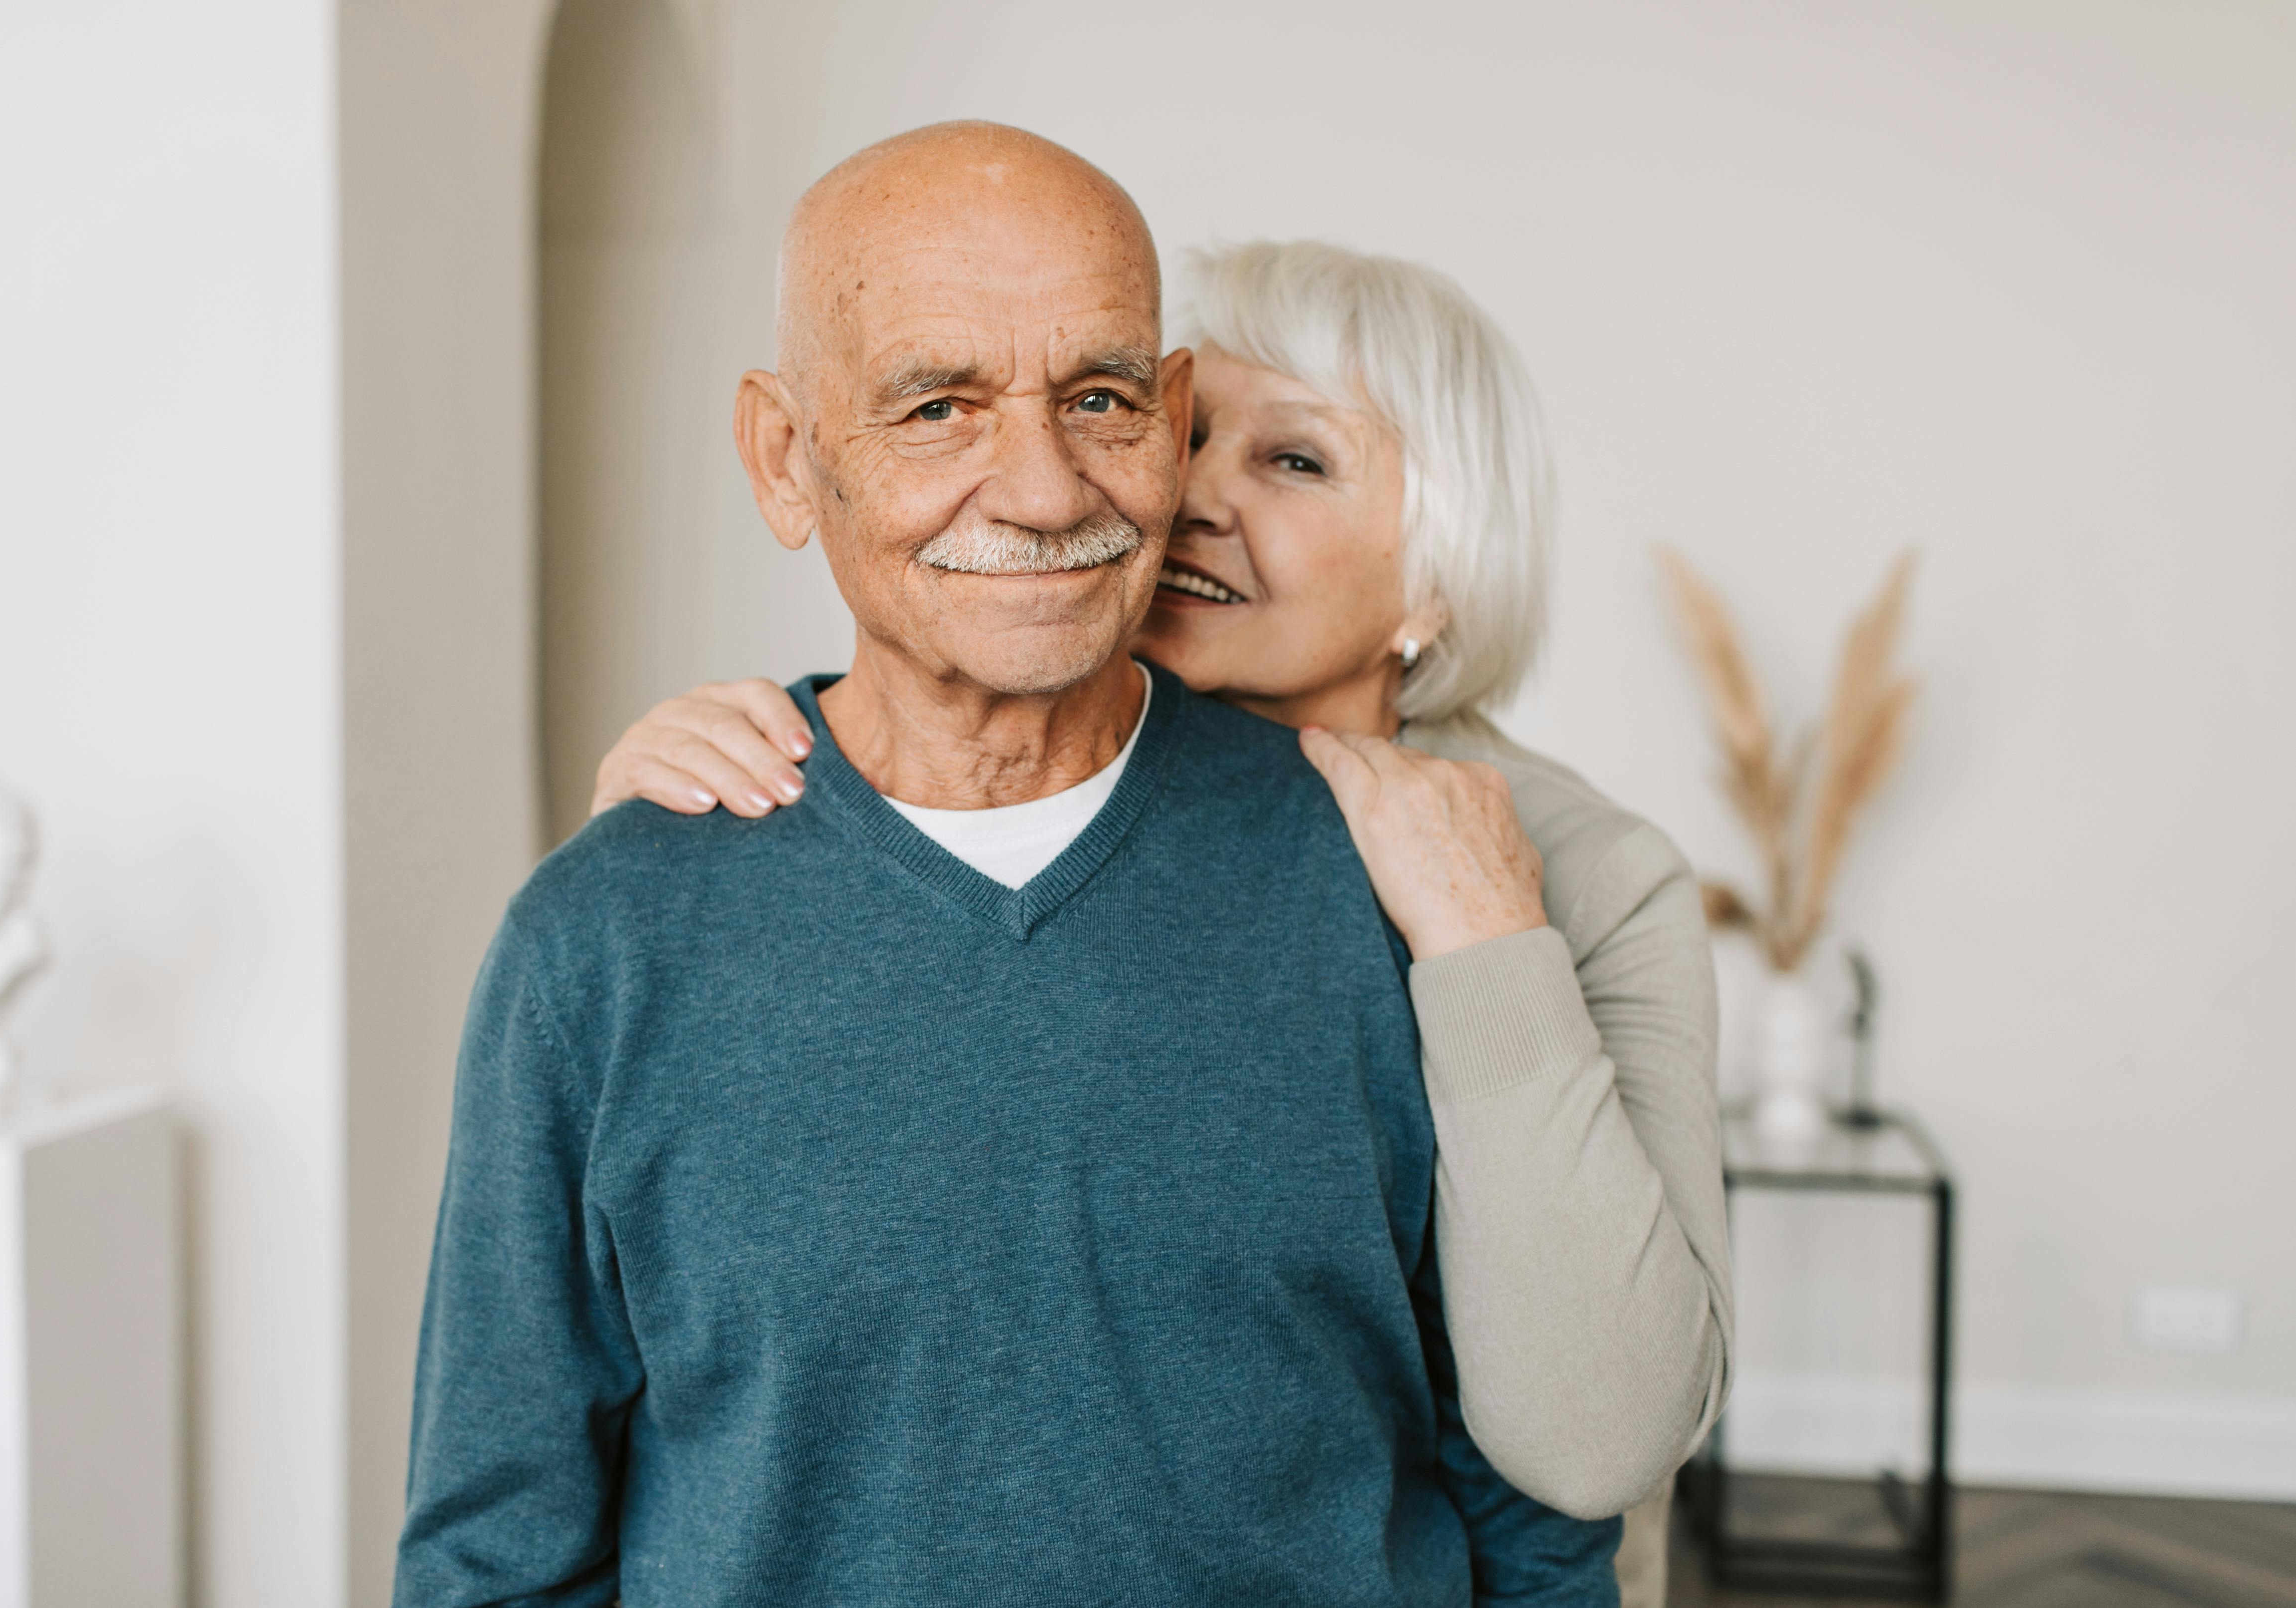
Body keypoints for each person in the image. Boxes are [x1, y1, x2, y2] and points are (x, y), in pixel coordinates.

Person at [396, 123, 1620, 1606]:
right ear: (789, 458)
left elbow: (1535, 1514)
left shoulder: (1399, 887)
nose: (1042, 491)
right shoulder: (601, 939)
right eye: (936, 408)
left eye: (1099, 398)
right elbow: (495, 1553)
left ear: (1170, 428)